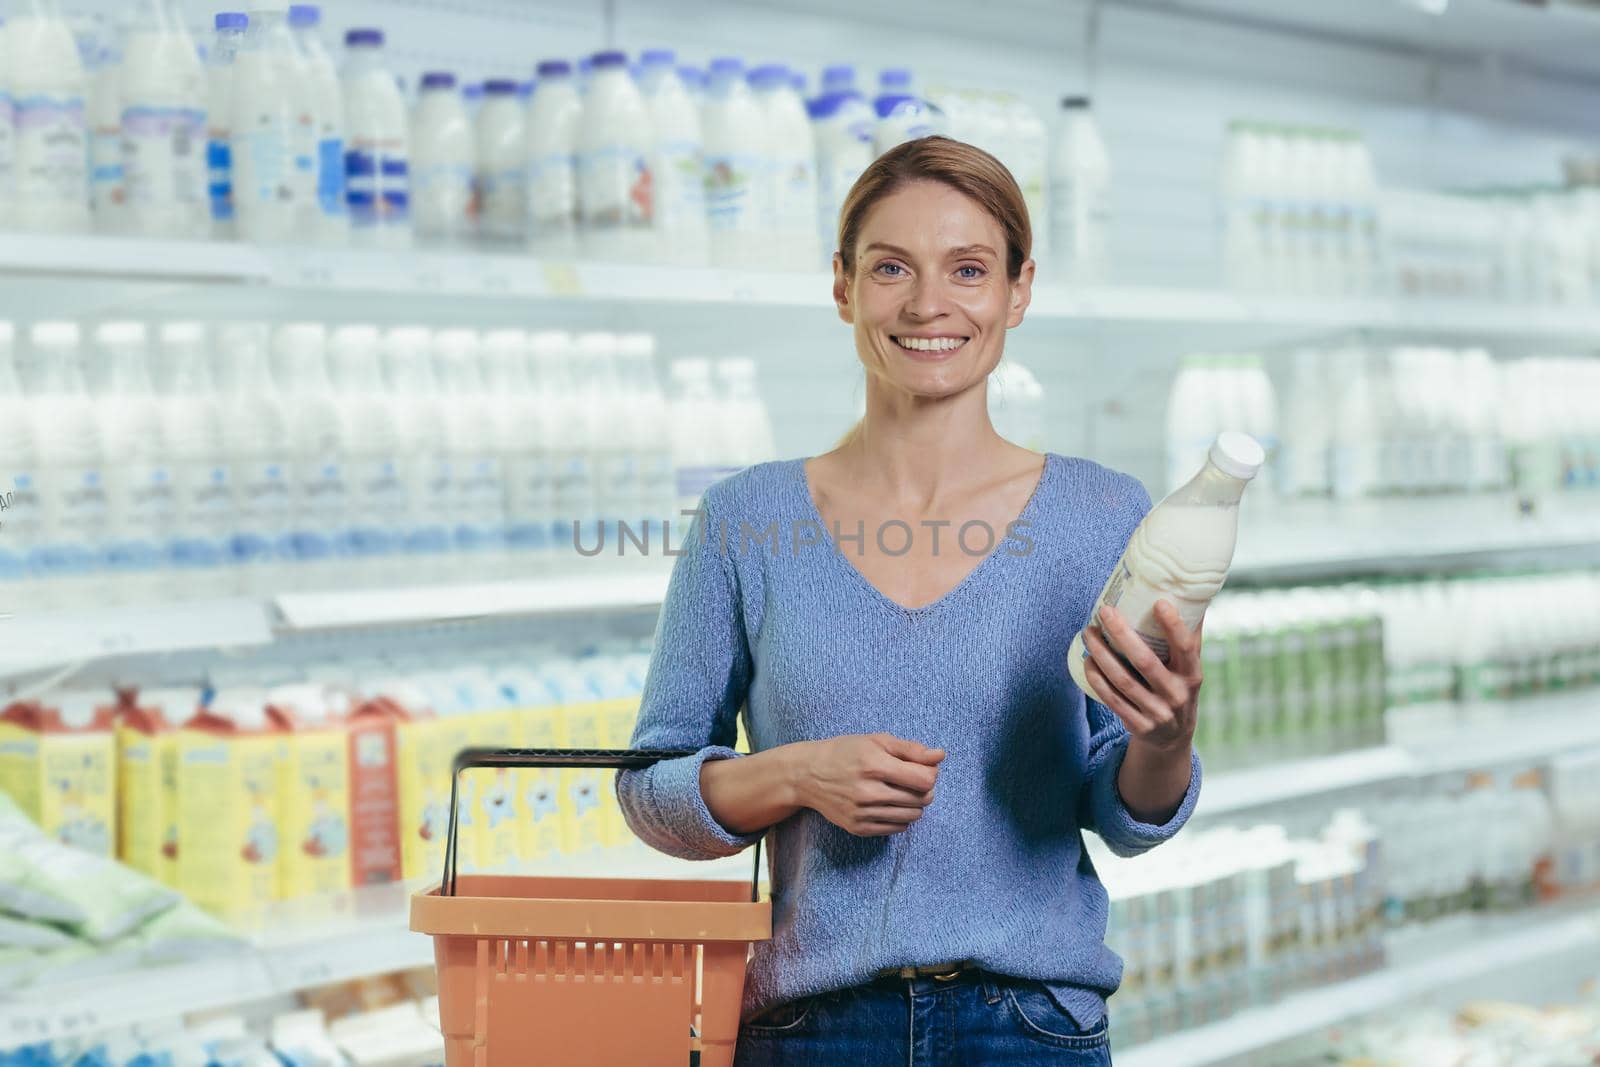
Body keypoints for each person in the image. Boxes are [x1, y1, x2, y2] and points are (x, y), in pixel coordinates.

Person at [617, 135, 1204, 1066]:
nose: (929, 304)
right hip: (810, 1030)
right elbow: (651, 791)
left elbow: (1124, 812)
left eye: (968, 269)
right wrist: (798, 776)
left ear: (1018, 290)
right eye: (892, 267)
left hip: (1034, 1030)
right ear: (844, 285)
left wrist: (1164, 741)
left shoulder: (1103, 514)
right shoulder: (744, 518)